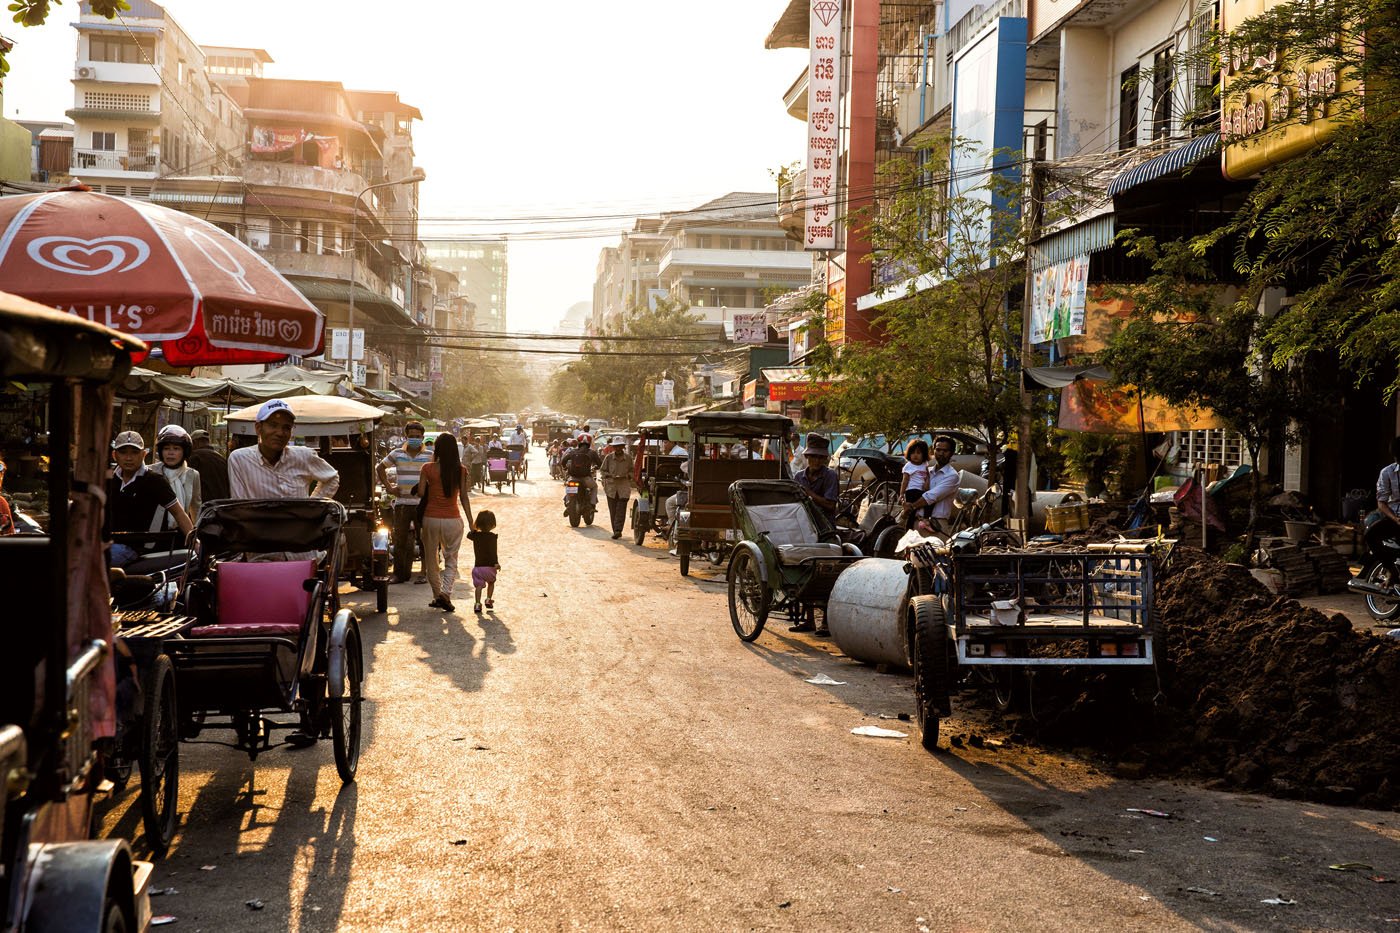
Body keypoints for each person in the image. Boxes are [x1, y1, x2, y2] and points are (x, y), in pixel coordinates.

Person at [106, 431, 193, 567]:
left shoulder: (154, 480)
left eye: (134, 452)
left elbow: (178, 512)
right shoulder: (108, 479)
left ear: (144, 454)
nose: (129, 458)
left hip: (133, 547)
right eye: (123, 452)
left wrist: (195, 541)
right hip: (105, 542)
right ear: (114, 455)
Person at [227, 399, 339, 499]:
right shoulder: (240, 459)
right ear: (258, 428)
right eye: (273, 425)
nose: (280, 433)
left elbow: (332, 478)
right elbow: (239, 505)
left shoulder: (304, 456)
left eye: (286, 427)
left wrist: (312, 506)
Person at [415, 432, 473, 613]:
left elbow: (421, 494)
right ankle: (446, 593)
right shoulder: (461, 470)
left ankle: (436, 595)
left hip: (430, 519)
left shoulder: (427, 468)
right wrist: (471, 522)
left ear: (437, 448)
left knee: (432, 560)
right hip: (452, 520)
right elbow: (464, 497)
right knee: (451, 559)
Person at [378, 421, 434, 583]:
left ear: (422, 437)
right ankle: (399, 574)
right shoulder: (396, 454)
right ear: (406, 437)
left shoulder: (429, 456)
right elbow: (380, 468)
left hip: (422, 505)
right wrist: (389, 487)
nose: (415, 439)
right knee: (399, 540)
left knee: (424, 540)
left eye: (417, 437)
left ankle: (424, 572)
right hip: (402, 504)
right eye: (411, 436)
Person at [906, 434, 960, 535]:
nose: (941, 453)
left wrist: (911, 507)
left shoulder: (952, 476)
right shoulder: (927, 472)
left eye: (945, 451)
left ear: (952, 453)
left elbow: (931, 497)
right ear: (933, 451)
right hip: (916, 521)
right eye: (938, 450)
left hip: (936, 525)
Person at [153, 425, 202, 531]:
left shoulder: (192, 475)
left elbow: (196, 507)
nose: (171, 452)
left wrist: (196, 534)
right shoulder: (151, 472)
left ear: (185, 452)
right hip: (154, 532)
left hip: (181, 532)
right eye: (166, 448)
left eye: (176, 449)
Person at [1365, 436, 1400, 567]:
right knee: (1370, 536)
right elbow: (1381, 503)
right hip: (1394, 519)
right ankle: (1392, 570)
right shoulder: (1387, 472)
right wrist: (1395, 519)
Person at [793, 433, 839, 520]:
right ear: (807, 456)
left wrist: (807, 492)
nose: (817, 461)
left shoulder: (830, 475)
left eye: (820, 457)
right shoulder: (798, 477)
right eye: (813, 457)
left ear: (824, 459)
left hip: (825, 525)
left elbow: (830, 505)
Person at [467, 510, 500, 614]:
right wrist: (496, 563)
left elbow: (469, 535)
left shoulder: (476, 536)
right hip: (490, 567)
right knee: (491, 582)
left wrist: (474, 529)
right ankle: (488, 599)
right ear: (492, 524)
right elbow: (493, 551)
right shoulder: (492, 537)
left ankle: (477, 604)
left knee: (479, 586)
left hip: (478, 568)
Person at [600, 436, 633, 539]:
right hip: (611, 488)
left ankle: (618, 530)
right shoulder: (608, 458)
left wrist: (628, 475)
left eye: (620, 446)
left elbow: (632, 471)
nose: (618, 448)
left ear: (623, 447)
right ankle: (615, 530)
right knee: (613, 510)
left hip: (623, 488)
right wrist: (608, 475)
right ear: (613, 447)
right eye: (616, 446)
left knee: (621, 509)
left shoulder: (628, 458)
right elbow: (602, 470)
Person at [561, 435, 601, 515]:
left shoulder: (573, 451)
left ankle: (568, 503)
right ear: (589, 443)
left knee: (569, 487)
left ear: (579, 442)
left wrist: (565, 467)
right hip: (586, 478)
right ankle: (592, 505)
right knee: (594, 487)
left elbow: (563, 460)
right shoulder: (592, 452)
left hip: (573, 477)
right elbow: (600, 463)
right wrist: (596, 467)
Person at [187, 429, 230, 501]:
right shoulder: (221, 458)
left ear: (195, 442)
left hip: (203, 504)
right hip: (220, 504)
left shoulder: (194, 457)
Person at [898, 439, 931, 530]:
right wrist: (901, 493)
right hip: (911, 490)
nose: (915, 455)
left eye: (918, 453)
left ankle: (925, 519)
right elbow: (905, 480)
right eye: (912, 453)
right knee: (912, 512)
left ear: (924, 454)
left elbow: (928, 476)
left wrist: (927, 484)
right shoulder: (908, 466)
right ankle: (908, 527)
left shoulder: (925, 464)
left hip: (921, 490)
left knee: (929, 502)